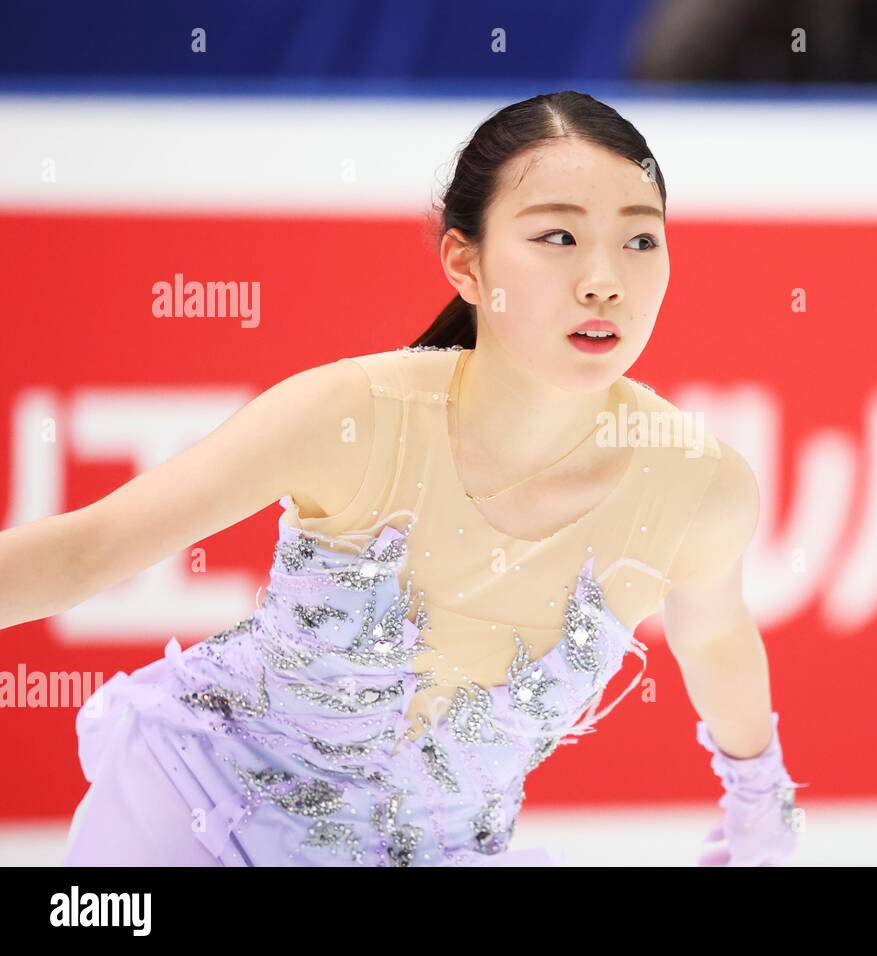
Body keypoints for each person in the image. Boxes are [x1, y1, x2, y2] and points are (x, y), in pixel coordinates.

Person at [3, 90, 807, 866]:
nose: (605, 279)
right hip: (198, 820)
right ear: (464, 261)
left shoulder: (697, 488)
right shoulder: (357, 416)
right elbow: (89, 550)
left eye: (640, 240)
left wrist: (759, 801)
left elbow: (714, 636)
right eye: (557, 237)